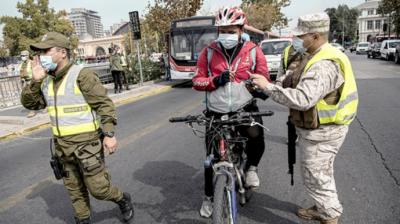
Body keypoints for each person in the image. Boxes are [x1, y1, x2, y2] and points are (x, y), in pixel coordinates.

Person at [251, 13, 358, 224]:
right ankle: (322, 208)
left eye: (301, 35)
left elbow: (303, 98)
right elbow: (291, 80)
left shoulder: (324, 63)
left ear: (316, 36)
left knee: (317, 177)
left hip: (325, 131)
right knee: (319, 173)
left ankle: (329, 215)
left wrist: (267, 87)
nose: (296, 39)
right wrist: (271, 85)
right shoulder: (311, 54)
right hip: (316, 130)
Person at [20, 32, 134, 224]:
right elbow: (30, 104)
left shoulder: (82, 75)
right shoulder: (46, 80)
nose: (41, 57)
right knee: (75, 191)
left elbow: (104, 105)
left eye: (45, 51)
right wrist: (35, 80)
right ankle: (82, 219)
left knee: (99, 189)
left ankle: (122, 198)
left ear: (62, 53)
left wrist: (109, 134)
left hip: (87, 146)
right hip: (62, 148)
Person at [192, 6, 270, 218]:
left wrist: (258, 87)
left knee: (256, 136)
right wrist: (214, 81)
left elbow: (264, 78)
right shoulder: (208, 52)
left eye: (230, 31)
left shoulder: (253, 51)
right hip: (215, 112)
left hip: (243, 108)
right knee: (210, 158)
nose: (226, 35)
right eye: (222, 31)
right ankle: (209, 197)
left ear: (240, 29)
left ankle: (252, 168)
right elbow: (196, 81)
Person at [18, 50, 36, 118]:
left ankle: (32, 110)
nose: (22, 57)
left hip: (32, 81)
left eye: (24, 55)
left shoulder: (31, 63)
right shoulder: (22, 64)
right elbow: (21, 74)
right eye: (21, 55)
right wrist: (22, 84)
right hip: (25, 82)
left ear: (28, 56)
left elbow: (35, 72)